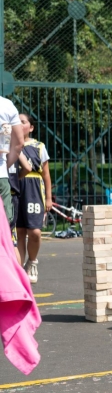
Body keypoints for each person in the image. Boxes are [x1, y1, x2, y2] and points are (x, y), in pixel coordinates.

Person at [13, 114, 51, 284]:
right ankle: (19, 271)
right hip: (16, 187)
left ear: (31, 127)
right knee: (19, 232)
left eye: (23, 122)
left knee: (34, 232)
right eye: (17, 122)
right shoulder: (11, 145)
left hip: (34, 189)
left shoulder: (38, 146)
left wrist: (48, 198)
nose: (20, 125)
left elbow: (46, 174)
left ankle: (32, 261)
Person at [0, 98, 25, 230]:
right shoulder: (6, 105)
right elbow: (18, 144)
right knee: (4, 225)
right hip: (1, 173)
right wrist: (4, 166)